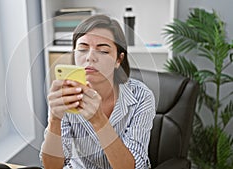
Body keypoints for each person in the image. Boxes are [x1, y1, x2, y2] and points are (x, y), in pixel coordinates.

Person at [41, 14, 155, 169]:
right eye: (82, 49)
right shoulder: (65, 94)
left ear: (118, 60)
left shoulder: (141, 97)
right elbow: (52, 167)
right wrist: (55, 119)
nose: (90, 57)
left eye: (103, 51)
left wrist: (99, 120)